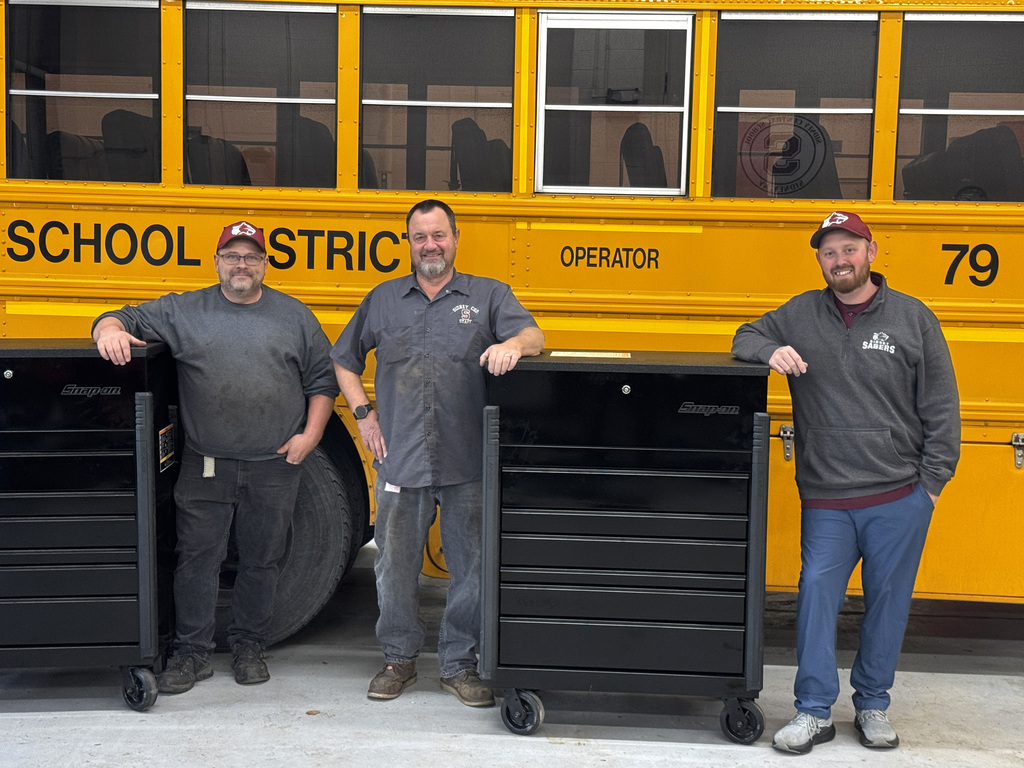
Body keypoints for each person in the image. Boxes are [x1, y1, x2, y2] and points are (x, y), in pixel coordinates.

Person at [731, 211, 960, 754]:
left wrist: (930, 486)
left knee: (887, 604)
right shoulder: (800, 313)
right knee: (815, 597)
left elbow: (942, 406)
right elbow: (744, 335)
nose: (840, 261)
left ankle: (873, 704)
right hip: (827, 496)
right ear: (820, 260)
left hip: (899, 495)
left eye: (849, 249)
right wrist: (770, 351)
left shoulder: (913, 318)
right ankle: (813, 711)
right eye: (829, 252)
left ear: (871, 252)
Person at [92, 221, 338, 694]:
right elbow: (121, 316)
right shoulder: (184, 310)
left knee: (263, 560)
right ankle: (192, 653)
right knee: (197, 560)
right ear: (217, 262)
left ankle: (249, 647)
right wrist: (109, 331)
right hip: (206, 464)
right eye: (232, 256)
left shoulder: (295, 316)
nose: (241, 265)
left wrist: (310, 437)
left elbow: (322, 382)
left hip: (275, 465)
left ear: (265, 264)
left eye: (250, 257)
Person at [332, 199, 544, 707]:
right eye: (420, 237)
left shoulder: (489, 296)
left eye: (439, 235)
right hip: (401, 456)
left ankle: (459, 664)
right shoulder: (382, 299)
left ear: (455, 238)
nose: (430, 245)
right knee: (394, 566)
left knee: (470, 567)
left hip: (467, 459)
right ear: (408, 243)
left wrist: (514, 346)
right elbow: (343, 359)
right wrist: (363, 416)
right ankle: (398, 660)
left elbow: (535, 334)